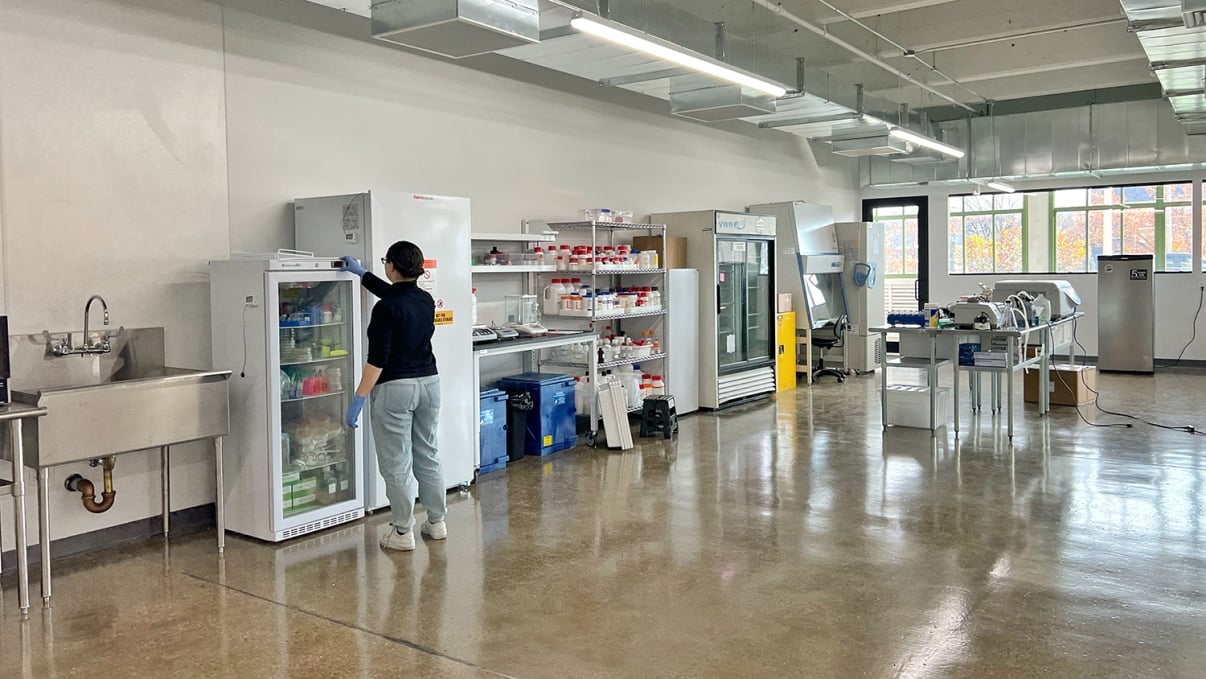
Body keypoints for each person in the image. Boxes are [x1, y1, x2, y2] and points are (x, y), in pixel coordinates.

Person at [341, 244, 446, 552]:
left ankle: (402, 533)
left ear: (393, 267)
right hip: (430, 383)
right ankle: (437, 523)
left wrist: (358, 399)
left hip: (396, 389)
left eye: (386, 261)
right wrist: (362, 275)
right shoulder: (424, 300)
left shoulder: (386, 308)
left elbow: (377, 361)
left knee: (397, 462)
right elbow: (397, 298)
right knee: (428, 454)